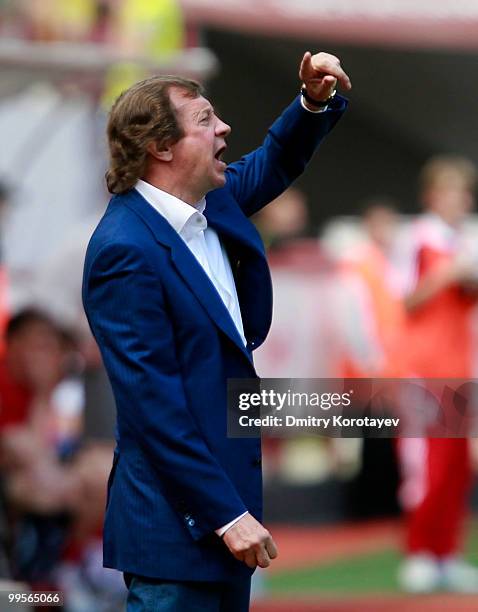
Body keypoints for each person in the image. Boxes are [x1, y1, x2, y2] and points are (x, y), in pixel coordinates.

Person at [82, 51, 351, 611]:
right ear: (160, 147)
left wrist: (313, 102)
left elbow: (276, 160)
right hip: (177, 529)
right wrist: (224, 515)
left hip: (224, 517)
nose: (224, 127)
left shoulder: (210, 200)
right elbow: (152, 405)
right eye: (205, 120)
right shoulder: (124, 250)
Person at [396, 155, 478, 593]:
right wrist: (446, 275)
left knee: (455, 469)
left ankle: (447, 552)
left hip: (460, 367)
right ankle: (419, 551)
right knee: (426, 467)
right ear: (432, 196)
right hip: (423, 370)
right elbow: (402, 300)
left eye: (464, 192)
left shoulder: (466, 241)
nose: (458, 201)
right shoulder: (417, 238)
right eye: (449, 191)